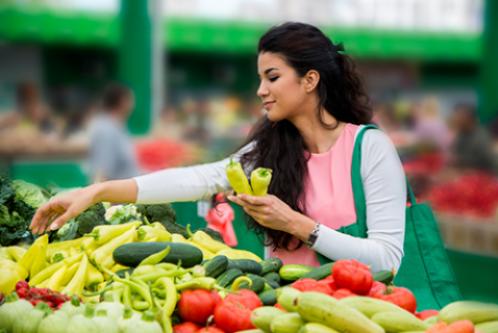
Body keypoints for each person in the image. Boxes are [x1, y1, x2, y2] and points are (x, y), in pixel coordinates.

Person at [30, 23, 406, 273]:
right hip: (282, 312)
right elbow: (199, 178)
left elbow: (387, 259)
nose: (261, 90)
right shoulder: (272, 150)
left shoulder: (370, 149)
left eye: (272, 77)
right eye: (260, 78)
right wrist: (98, 191)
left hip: (356, 315)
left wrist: (295, 223)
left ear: (310, 80)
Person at [87, 83, 140, 181]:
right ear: (123, 101)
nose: (133, 105)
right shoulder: (106, 130)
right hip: (117, 194)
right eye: (131, 100)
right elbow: (101, 172)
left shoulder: (118, 127)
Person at [448, 103, 496, 173]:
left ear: (469, 119)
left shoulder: (481, 136)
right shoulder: (462, 134)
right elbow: (456, 155)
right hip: (463, 174)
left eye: (459, 117)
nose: (456, 120)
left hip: (480, 177)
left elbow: (487, 163)